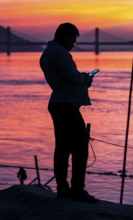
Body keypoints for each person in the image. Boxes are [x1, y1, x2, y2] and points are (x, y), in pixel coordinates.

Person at [40, 23, 98, 203]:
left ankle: (63, 189)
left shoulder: (48, 53)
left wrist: (80, 78)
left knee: (63, 148)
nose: (74, 43)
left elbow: (64, 78)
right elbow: (72, 77)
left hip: (58, 103)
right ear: (65, 36)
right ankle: (77, 190)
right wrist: (86, 78)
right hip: (65, 105)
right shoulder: (59, 53)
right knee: (80, 147)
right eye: (73, 39)